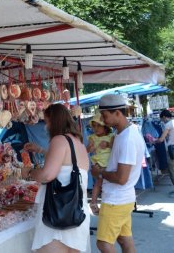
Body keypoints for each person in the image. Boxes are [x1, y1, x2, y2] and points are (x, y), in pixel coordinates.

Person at [22, 103, 90, 253]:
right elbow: (65, 163)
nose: (45, 127)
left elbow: (47, 175)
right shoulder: (78, 143)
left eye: (46, 122)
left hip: (58, 215)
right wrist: (40, 150)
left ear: (54, 121)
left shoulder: (59, 140)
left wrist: (29, 172)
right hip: (77, 213)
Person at [91, 94, 145, 253]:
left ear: (118, 113)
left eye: (105, 115)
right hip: (123, 198)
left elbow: (121, 178)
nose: (102, 119)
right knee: (124, 239)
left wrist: (100, 172)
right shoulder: (123, 134)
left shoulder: (127, 138)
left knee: (103, 243)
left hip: (116, 199)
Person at [87, 113, 114, 215]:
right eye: (94, 126)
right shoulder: (92, 137)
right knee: (99, 182)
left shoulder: (111, 136)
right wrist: (90, 148)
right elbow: (86, 150)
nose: (96, 128)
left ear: (105, 127)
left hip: (109, 163)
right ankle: (93, 202)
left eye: (99, 125)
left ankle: (106, 203)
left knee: (107, 184)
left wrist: (107, 144)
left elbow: (114, 147)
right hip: (98, 163)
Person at [155, 109, 174, 185]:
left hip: (172, 149)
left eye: (162, 119)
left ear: (164, 117)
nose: (162, 121)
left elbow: (161, 139)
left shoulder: (168, 125)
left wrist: (154, 140)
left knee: (172, 169)